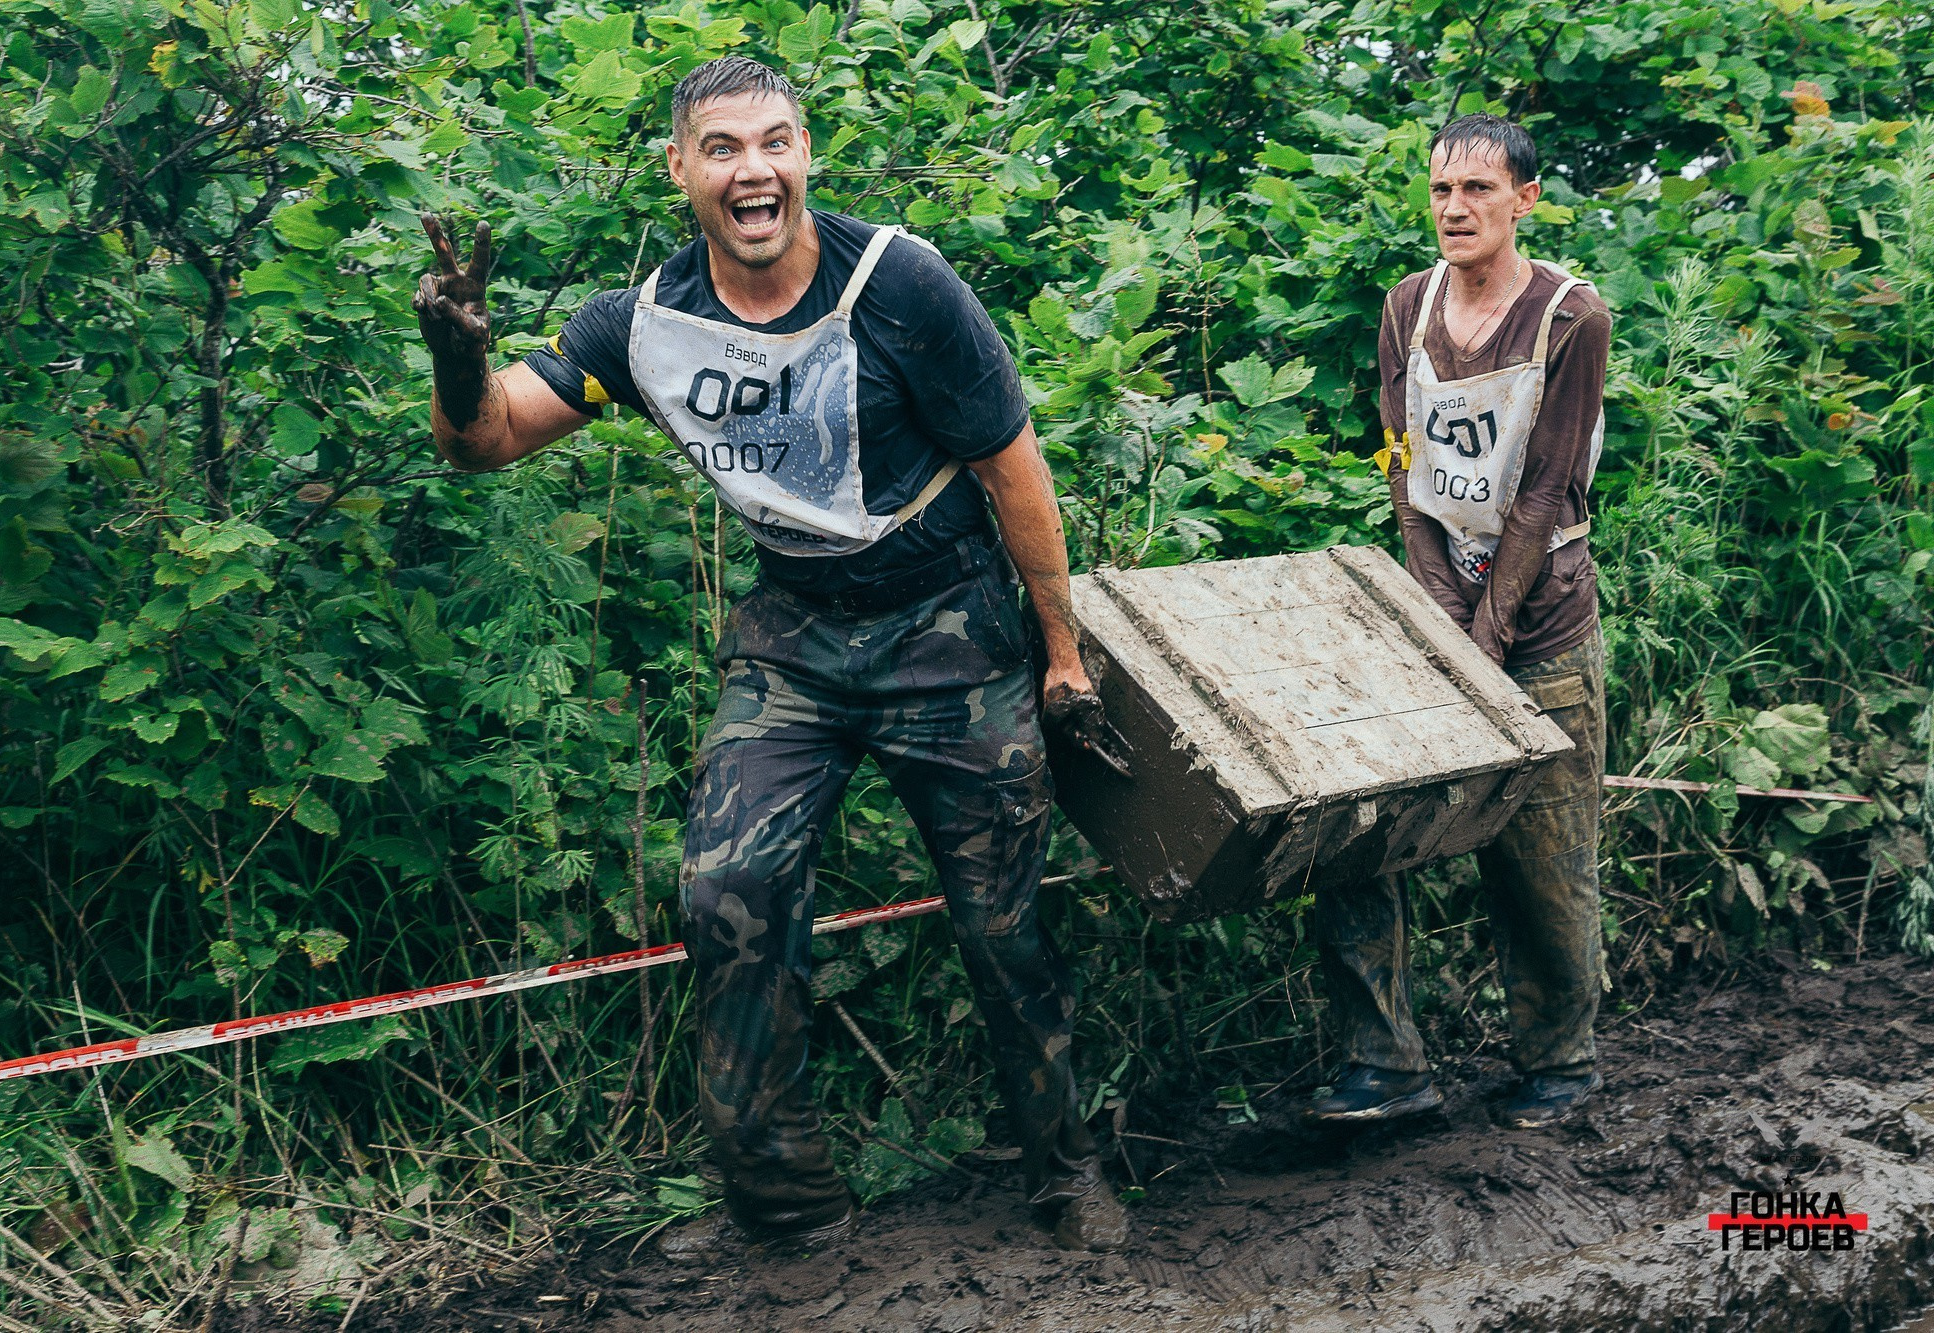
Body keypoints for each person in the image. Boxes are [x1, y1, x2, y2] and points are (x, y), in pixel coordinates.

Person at [411, 54, 1129, 1253]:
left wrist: (1059, 652)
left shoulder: (900, 284)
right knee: (724, 890)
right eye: (726, 149)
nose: (756, 171)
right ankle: (787, 1212)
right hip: (792, 637)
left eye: (776, 144)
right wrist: (454, 351)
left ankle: (1067, 1172)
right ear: (682, 169)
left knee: (1000, 923)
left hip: (948, 626)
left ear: (804, 156)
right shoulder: (640, 325)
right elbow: (485, 442)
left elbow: (1013, 464)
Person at [1308, 114, 1611, 1130]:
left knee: (1544, 861)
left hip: (1542, 622)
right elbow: (1398, 458)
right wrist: (1434, 600)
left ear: (1523, 199)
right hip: (1433, 601)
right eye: (1439, 191)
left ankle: (1558, 1061)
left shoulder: (1570, 317)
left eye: (1476, 191)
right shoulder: (1407, 307)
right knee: (1363, 833)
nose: (1453, 209)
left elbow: (1544, 486)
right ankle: (1386, 1062)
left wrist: (1483, 633)